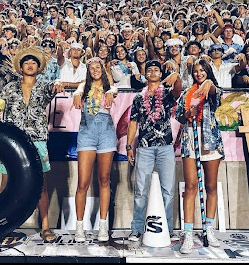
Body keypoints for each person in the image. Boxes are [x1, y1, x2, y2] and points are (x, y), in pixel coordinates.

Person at [0, 46, 65, 243]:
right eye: (26, 62)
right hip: (12, 140)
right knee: (6, 185)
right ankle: (1, 225)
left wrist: (57, 81)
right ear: (20, 67)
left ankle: (45, 227)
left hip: (37, 140)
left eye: (33, 63)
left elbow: (58, 85)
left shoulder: (45, 87)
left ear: (39, 67)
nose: (30, 65)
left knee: (41, 186)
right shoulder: (9, 88)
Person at [125, 60, 182, 242]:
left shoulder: (166, 94)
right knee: (141, 189)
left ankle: (168, 227)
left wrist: (177, 76)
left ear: (160, 74)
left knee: (168, 189)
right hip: (144, 147)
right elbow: (133, 123)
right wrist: (128, 146)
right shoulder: (138, 98)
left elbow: (178, 91)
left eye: (156, 70)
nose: (152, 72)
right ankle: (137, 227)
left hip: (165, 146)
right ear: (145, 75)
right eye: (149, 70)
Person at [176, 59, 224, 252]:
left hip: (210, 142)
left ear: (208, 72)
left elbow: (215, 94)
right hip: (190, 141)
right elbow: (179, 116)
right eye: (196, 71)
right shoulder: (187, 93)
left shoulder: (212, 89)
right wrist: (188, 113)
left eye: (202, 70)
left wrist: (209, 84)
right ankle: (188, 233)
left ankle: (208, 228)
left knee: (211, 186)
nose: (199, 73)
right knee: (190, 187)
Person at [72, 57, 118, 242]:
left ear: (103, 69)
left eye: (98, 67)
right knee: (83, 182)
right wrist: (76, 94)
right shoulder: (84, 86)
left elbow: (114, 89)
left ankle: (102, 226)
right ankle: (79, 227)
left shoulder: (109, 87)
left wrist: (111, 92)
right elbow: (79, 89)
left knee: (104, 180)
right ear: (89, 71)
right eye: (92, 68)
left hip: (106, 132)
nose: (95, 70)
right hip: (87, 133)